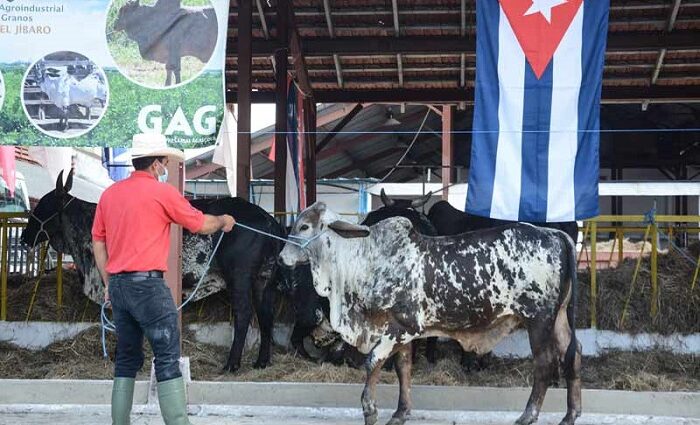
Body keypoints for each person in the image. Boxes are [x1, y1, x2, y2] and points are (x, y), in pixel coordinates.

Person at [92, 133, 235, 425]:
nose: (166, 166)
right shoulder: (162, 193)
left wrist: (108, 283)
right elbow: (200, 224)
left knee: (127, 360)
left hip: (119, 286)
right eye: (165, 162)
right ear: (156, 165)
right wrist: (223, 221)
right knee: (167, 358)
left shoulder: (110, 194)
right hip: (149, 287)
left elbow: (98, 241)